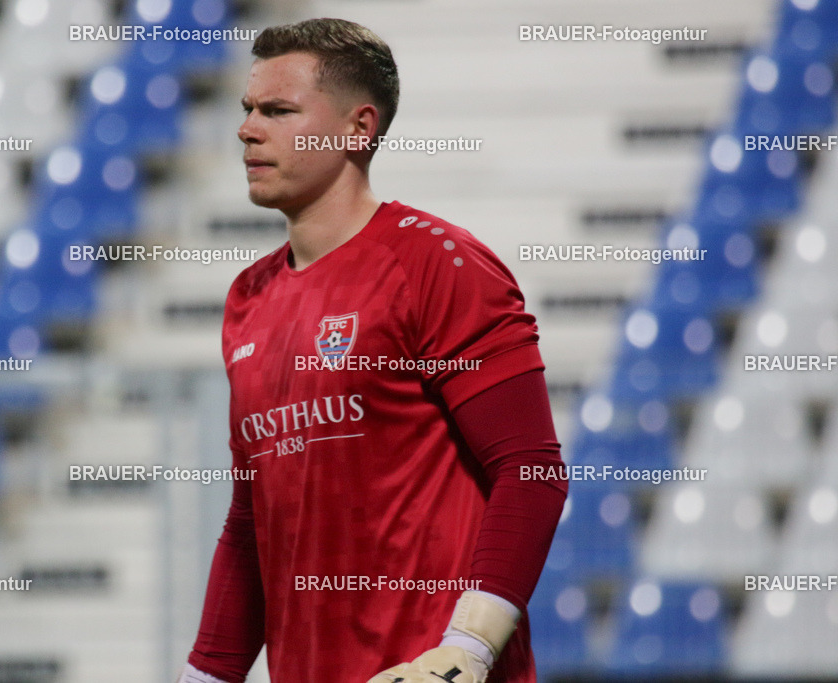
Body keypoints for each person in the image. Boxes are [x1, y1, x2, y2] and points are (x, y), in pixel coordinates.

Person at [177, 17, 567, 683]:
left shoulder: (437, 262)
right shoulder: (250, 296)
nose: (247, 129)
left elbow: (531, 469)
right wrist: (207, 674)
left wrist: (466, 650)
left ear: (358, 128)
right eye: (247, 109)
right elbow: (251, 520)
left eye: (277, 110)